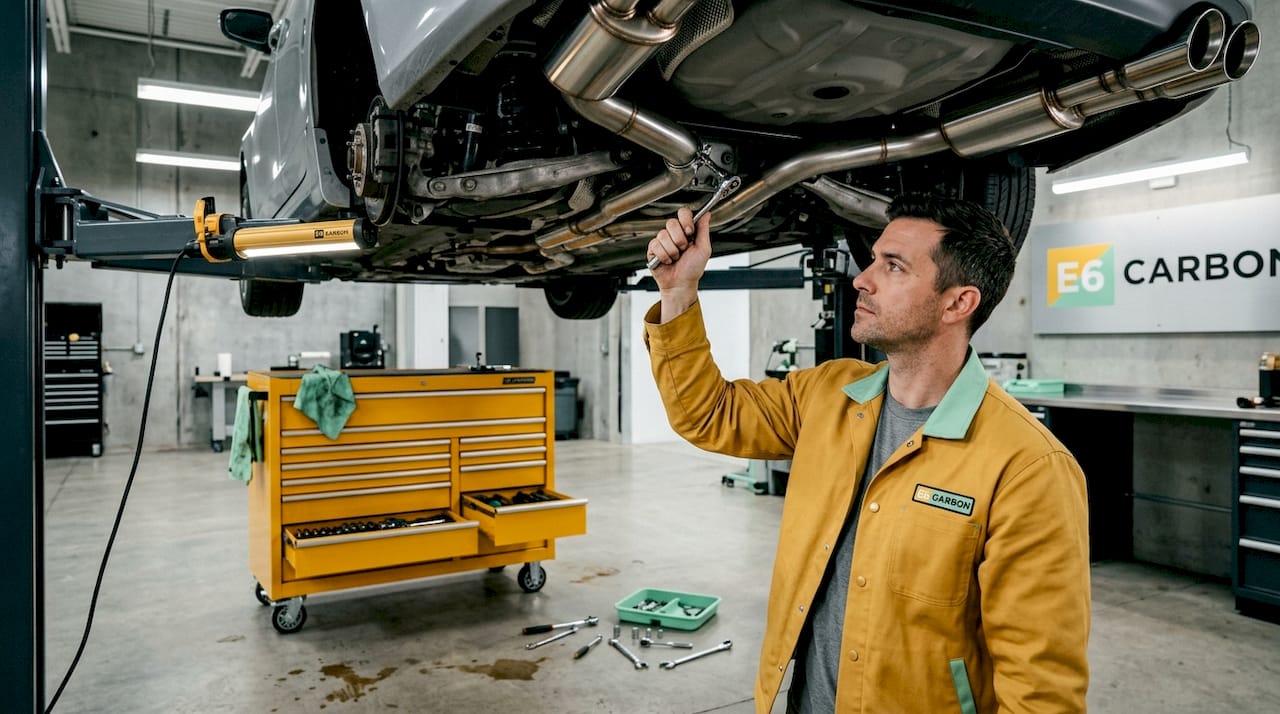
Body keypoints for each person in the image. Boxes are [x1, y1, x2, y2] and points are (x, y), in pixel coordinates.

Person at [642, 194, 1090, 713]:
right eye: (874, 258)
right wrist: (678, 291)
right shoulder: (828, 394)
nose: (863, 278)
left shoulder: (1027, 468)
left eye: (893, 266)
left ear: (957, 303)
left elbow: (1040, 688)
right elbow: (710, 415)